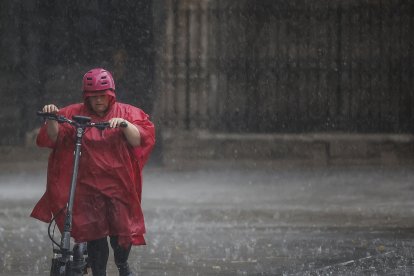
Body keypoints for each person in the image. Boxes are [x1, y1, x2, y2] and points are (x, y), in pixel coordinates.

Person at [31, 68, 155, 276]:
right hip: (88, 187)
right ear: (86, 97)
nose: (98, 101)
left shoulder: (127, 113)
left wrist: (125, 125)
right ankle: (99, 272)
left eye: (103, 96)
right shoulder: (74, 113)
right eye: (93, 97)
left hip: (119, 186)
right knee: (96, 235)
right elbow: (54, 138)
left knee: (121, 234)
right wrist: (52, 118)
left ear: (111, 95)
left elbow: (139, 139)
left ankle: (123, 265)